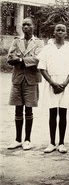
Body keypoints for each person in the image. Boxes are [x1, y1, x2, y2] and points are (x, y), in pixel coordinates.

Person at [7, 17, 44, 150]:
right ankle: (17, 139)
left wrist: (21, 60)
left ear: (33, 26)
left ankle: (27, 139)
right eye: (23, 25)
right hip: (17, 78)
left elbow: (38, 59)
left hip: (31, 79)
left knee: (28, 108)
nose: (25, 27)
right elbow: (10, 58)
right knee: (18, 108)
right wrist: (22, 60)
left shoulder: (39, 43)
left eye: (28, 24)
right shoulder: (17, 41)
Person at [38, 23, 69, 153]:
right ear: (54, 32)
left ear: (66, 33)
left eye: (63, 30)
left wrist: (64, 84)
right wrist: (52, 83)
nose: (60, 31)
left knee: (63, 114)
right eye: (58, 29)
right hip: (51, 82)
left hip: (66, 83)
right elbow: (42, 68)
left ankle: (61, 143)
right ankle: (52, 142)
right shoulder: (48, 48)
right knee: (53, 113)